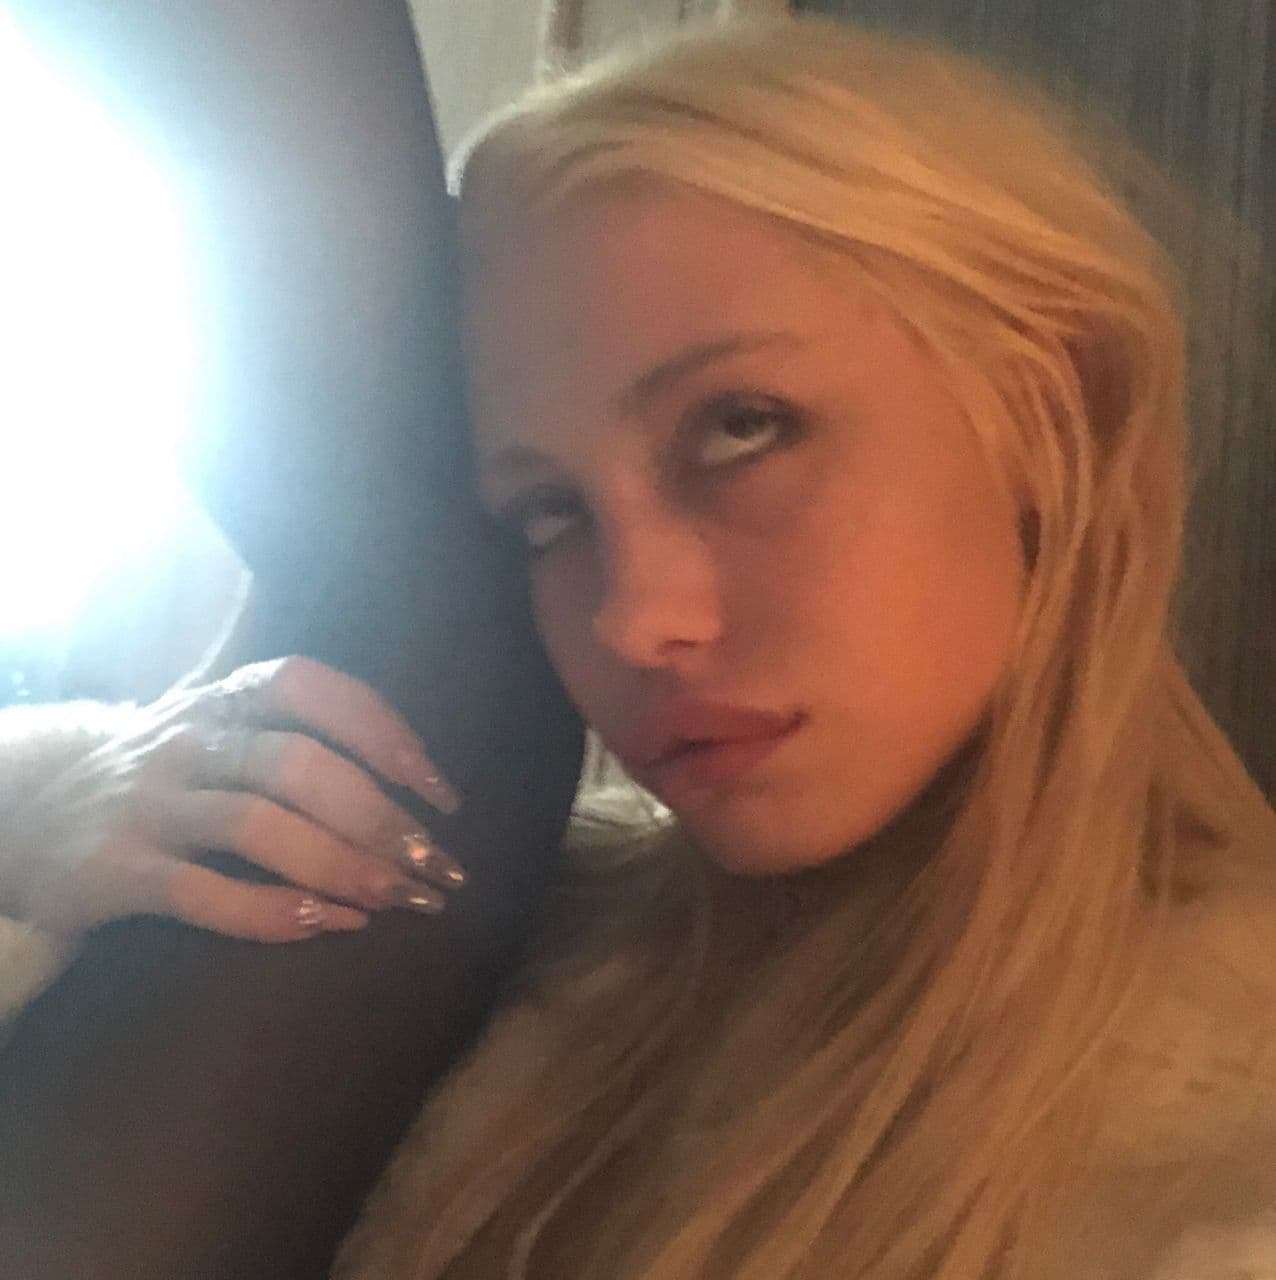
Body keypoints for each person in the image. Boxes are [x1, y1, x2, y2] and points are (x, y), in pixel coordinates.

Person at [3, 11, 1275, 1278]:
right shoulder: (489, 915)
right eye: (547, 513)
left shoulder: (1224, 1156)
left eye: (740, 428)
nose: (630, 617)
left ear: (1062, 406)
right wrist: (49, 797)